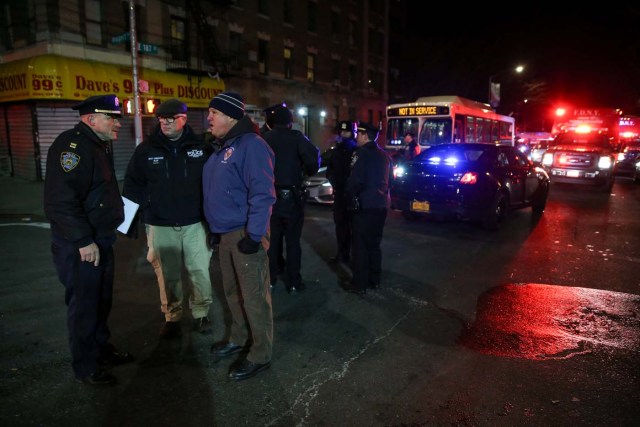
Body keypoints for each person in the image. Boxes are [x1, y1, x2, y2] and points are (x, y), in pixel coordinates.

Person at [44, 94, 134, 386]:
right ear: (91, 119)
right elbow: (60, 201)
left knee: (101, 301)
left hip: (101, 239)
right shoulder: (72, 147)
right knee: (84, 306)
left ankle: (100, 349)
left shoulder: (97, 144)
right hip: (82, 245)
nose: (117, 122)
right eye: (112, 117)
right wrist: (83, 240)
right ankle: (86, 366)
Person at [122, 99, 214, 339]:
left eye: (170, 118)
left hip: (195, 223)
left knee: (199, 271)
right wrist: (127, 222)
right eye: (161, 119)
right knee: (167, 275)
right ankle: (172, 316)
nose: (165, 123)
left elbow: (215, 183)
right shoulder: (146, 150)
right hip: (160, 223)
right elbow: (133, 184)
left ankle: (201, 313)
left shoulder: (202, 147)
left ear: (183, 119)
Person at [202, 92, 276, 381]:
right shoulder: (224, 147)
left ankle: (260, 353)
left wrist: (254, 235)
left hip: (245, 232)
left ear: (230, 117)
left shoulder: (251, 146)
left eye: (213, 112)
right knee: (232, 292)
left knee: (254, 296)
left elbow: (262, 194)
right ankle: (238, 337)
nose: (208, 117)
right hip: (225, 233)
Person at [262, 105, 320, 293]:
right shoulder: (297, 138)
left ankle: (270, 278)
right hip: (292, 197)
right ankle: (293, 281)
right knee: (293, 242)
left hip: (269, 196)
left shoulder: (264, 139)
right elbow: (313, 163)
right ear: (289, 122)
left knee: (272, 240)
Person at [344, 122, 392, 295]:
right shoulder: (385, 155)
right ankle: (374, 280)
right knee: (374, 244)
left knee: (360, 246)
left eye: (359, 134)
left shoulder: (360, 154)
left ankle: (360, 283)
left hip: (364, 205)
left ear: (365, 136)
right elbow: (391, 181)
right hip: (381, 205)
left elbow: (354, 181)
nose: (356, 137)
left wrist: (350, 197)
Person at [325, 120, 358, 264]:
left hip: (351, 193)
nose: (343, 134)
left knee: (353, 226)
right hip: (340, 193)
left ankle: (352, 255)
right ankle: (342, 253)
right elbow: (330, 170)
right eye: (342, 132)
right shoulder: (337, 150)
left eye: (347, 132)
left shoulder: (356, 150)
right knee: (340, 225)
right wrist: (335, 183)